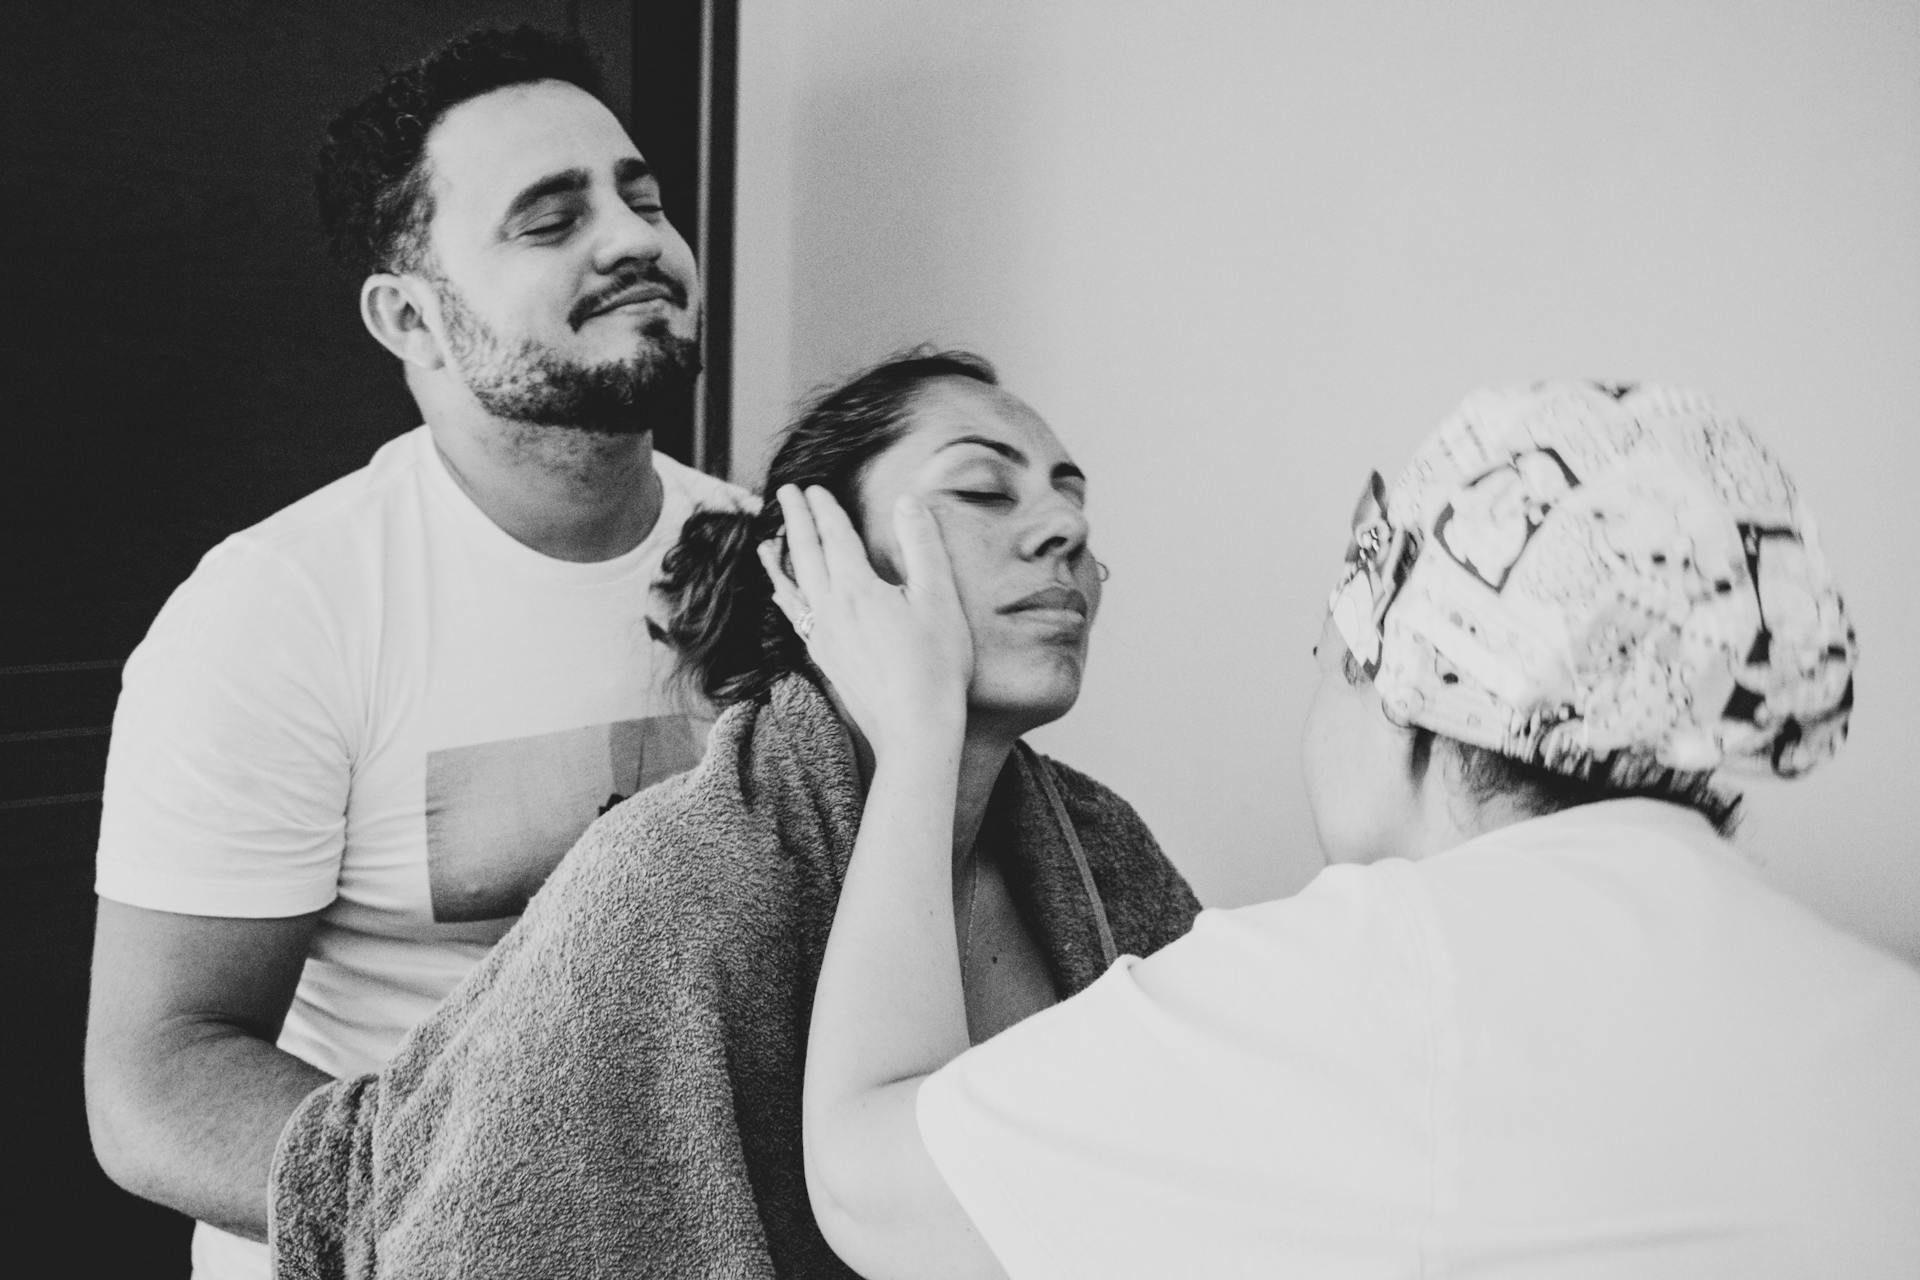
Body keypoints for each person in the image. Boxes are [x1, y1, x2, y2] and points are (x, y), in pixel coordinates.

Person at [790, 381, 1920, 1279]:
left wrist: (920, 732)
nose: (1066, 530)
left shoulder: (1376, 980)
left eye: (1325, 654)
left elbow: (863, 1177)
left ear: (1410, 692)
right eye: (984, 491)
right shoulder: (1875, 1010)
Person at [262, 349, 1200, 1279]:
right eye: (985, 492)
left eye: (1071, 494)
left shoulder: (1104, 848)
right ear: (816, 560)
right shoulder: (672, 880)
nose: (1064, 527)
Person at [83, 27, 748, 1279]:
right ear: (411, 316)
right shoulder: (279, 611)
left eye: (643, 198)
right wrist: (500, 1199)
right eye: (549, 219)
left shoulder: (767, 561)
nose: (634, 239)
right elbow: (157, 1073)